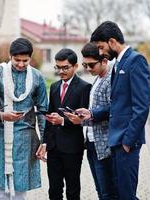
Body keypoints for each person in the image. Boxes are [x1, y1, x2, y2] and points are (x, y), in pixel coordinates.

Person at [80, 21, 150, 199]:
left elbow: (141, 108)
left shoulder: (136, 60)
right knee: (119, 194)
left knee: (127, 195)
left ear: (112, 42)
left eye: (101, 47)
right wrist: (93, 114)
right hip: (116, 142)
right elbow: (117, 105)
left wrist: (127, 141)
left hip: (126, 142)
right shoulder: (118, 64)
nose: (100, 52)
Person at [0, 37, 48, 200]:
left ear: (30, 58)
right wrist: (2, 115)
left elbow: (43, 111)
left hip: (25, 139)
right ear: (10, 56)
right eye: (17, 60)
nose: (20, 64)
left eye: (25, 61)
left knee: (20, 188)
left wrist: (45, 141)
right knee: (0, 187)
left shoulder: (37, 77)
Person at [64, 42, 117, 200]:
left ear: (104, 61)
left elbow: (114, 108)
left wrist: (91, 113)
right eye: (85, 65)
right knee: (100, 190)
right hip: (91, 143)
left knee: (108, 193)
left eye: (91, 65)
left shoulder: (110, 80)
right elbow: (93, 114)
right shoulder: (98, 79)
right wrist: (80, 118)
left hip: (105, 145)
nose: (87, 69)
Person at [37, 48, 91, 200]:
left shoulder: (84, 88)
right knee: (54, 189)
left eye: (65, 67)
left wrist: (63, 121)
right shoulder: (54, 87)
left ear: (75, 66)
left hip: (73, 147)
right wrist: (45, 143)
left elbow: (84, 120)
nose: (61, 71)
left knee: (72, 189)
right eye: (58, 67)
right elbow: (50, 116)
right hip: (54, 147)